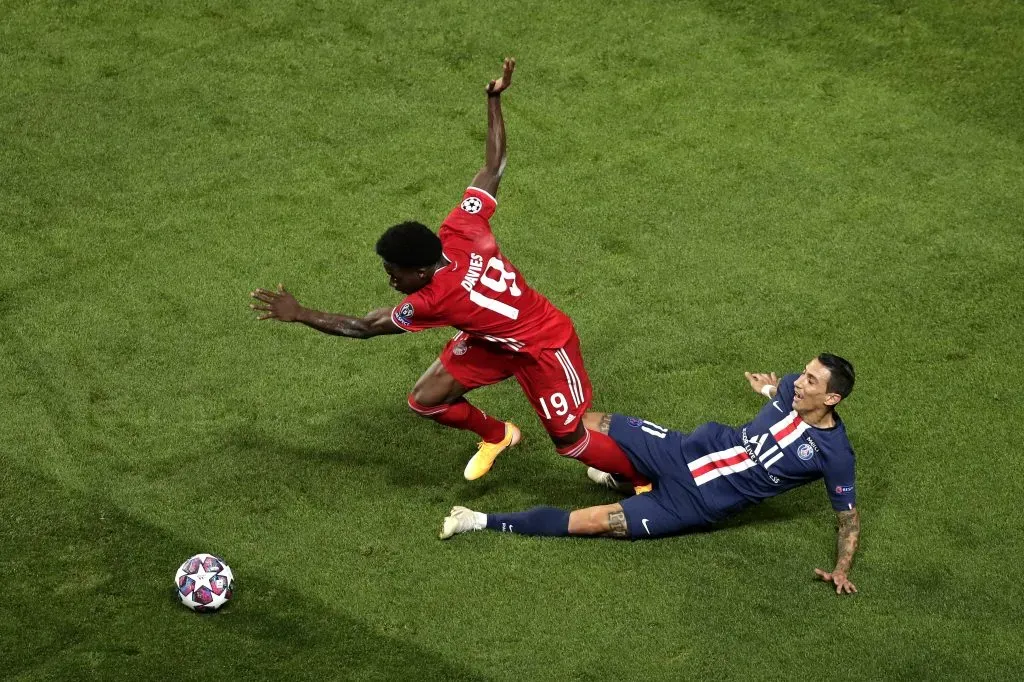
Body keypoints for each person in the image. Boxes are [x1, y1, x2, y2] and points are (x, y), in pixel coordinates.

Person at [250, 58, 648, 487]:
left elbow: (363, 328)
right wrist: (494, 101)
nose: (392, 282)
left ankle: (643, 479)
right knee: (426, 400)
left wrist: (301, 313)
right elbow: (494, 167)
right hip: (493, 337)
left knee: (570, 439)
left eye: (396, 274)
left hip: (544, 344)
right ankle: (498, 436)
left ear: (421, 271)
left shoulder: (433, 299)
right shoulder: (462, 229)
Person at [440, 354, 862, 595]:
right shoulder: (789, 388)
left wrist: (842, 568)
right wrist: (768, 390)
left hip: (691, 504)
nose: (798, 382)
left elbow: (849, 520)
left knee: (590, 523)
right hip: (682, 450)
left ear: (832, 397)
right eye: (803, 374)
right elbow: (779, 394)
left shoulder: (834, 455)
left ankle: (476, 520)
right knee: (581, 422)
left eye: (810, 380)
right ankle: (619, 473)